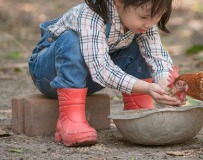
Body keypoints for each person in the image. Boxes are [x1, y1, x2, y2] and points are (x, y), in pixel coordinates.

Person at [28, 0, 184, 147]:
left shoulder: (142, 23)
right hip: (50, 74)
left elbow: (156, 56)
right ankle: (70, 119)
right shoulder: (91, 14)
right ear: (119, 2)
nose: (150, 23)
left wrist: (165, 83)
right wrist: (147, 87)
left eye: (157, 17)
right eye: (144, 17)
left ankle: (139, 110)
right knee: (71, 40)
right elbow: (101, 69)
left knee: (139, 45)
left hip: (89, 78)